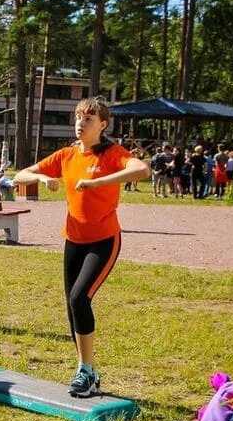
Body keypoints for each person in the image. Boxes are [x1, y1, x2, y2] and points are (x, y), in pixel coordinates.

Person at [12, 97, 148, 398]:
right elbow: (19, 175)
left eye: (88, 119)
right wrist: (42, 176)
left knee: (79, 298)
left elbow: (141, 170)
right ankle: (87, 370)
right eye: (78, 117)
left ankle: (86, 370)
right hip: (73, 240)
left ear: (102, 124)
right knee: (72, 308)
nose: (80, 123)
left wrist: (100, 183)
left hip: (104, 240)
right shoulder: (66, 155)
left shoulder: (112, 153)